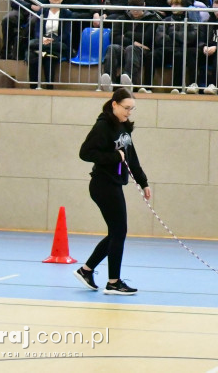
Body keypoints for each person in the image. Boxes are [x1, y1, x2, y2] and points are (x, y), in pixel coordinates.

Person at [74, 88, 150, 296]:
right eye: (126, 108)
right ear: (114, 104)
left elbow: (131, 158)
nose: (129, 112)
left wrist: (144, 183)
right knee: (119, 232)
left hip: (114, 184)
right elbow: (86, 153)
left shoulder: (123, 128)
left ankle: (86, 270)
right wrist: (114, 157)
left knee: (116, 232)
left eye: (132, 109)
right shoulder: (103, 126)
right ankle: (113, 282)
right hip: (102, 184)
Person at [26, 0, 75, 89]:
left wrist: (52, 40)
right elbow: (38, 31)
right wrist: (44, 39)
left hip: (58, 42)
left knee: (44, 51)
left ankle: (49, 87)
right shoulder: (42, 12)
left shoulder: (67, 13)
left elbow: (66, 34)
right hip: (44, 41)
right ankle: (33, 87)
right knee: (34, 53)